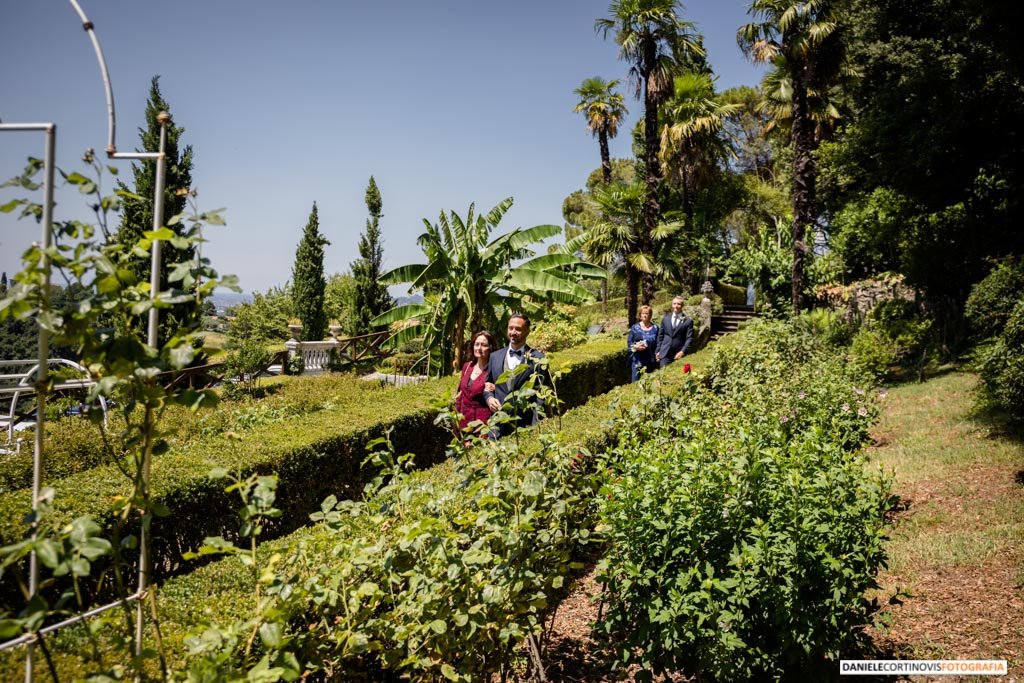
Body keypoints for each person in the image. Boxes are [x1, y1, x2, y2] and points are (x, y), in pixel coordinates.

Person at [483, 313, 549, 438]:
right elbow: (488, 386)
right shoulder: (494, 357)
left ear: (527, 332)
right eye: (510, 328)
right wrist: (489, 398)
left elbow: (541, 397)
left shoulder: (538, 359)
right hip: (497, 427)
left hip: (524, 426)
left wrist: (535, 428)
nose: (513, 332)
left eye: (518, 329)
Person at [454, 330, 498, 435]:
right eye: (477, 344)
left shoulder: (494, 370)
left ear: (490, 348)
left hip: (483, 426)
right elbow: (460, 394)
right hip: (464, 423)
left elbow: (502, 391)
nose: (479, 348)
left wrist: (495, 387)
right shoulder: (467, 366)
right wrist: (455, 419)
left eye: (484, 345)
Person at [656, 295, 693, 368]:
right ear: (672, 305)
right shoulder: (665, 319)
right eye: (674, 303)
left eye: (678, 304)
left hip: (678, 354)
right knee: (663, 375)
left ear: (682, 305)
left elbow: (689, 338)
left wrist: (682, 351)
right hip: (664, 354)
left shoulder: (688, 321)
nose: (676, 306)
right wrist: (658, 351)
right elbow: (660, 336)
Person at [627, 304, 659, 382]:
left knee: (650, 383)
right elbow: (629, 343)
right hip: (637, 361)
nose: (644, 315)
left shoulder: (656, 328)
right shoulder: (635, 328)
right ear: (640, 315)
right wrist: (635, 347)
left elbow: (659, 343)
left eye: (647, 313)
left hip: (650, 360)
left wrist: (658, 353)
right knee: (635, 383)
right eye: (643, 313)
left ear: (650, 315)